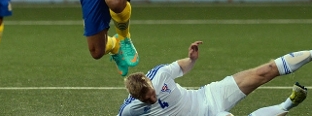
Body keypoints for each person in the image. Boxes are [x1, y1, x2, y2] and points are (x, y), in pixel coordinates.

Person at [118, 40, 311, 115]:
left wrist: (191, 59)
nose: (153, 98)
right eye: (147, 100)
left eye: (152, 93)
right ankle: (288, 104)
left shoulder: (159, 74)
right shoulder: (129, 110)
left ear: (149, 82)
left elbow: (182, 67)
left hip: (208, 95)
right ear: (136, 98)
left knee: (263, 72)